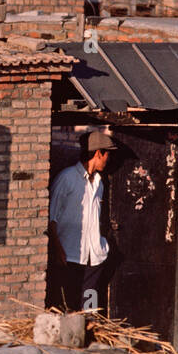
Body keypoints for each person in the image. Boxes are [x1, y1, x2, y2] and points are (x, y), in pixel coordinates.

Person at [48, 129, 117, 312]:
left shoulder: (99, 183)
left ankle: (89, 334)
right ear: (98, 153)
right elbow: (51, 218)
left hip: (93, 258)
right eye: (107, 153)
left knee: (89, 308)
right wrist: (58, 249)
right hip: (69, 256)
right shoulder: (67, 178)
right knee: (68, 308)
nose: (108, 158)